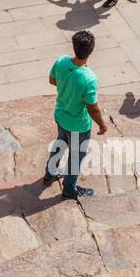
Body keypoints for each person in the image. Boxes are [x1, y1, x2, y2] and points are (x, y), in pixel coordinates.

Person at [44, 31, 107, 199]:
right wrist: (102, 125)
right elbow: (93, 108)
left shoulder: (61, 61)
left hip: (61, 116)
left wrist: (67, 89)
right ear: (91, 50)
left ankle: (50, 173)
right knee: (76, 157)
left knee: (60, 143)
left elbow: (52, 80)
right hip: (79, 125)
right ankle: (69, 189)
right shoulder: (89, 78)